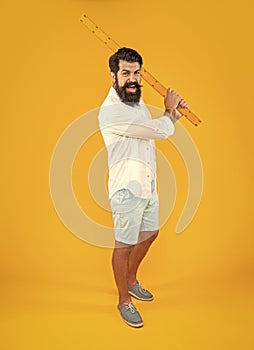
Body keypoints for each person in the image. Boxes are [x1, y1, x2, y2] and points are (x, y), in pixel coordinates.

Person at [98, 47, 187, 328]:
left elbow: (151, 129)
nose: (133, 79)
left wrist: (169, 117)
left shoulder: (134, 103)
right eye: (126, 73)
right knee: (123, 246)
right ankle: (124, 300)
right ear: (113, 76)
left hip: (147, 184)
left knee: (150, 233)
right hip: (126, 189)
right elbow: (158, 131)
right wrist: (170, 110)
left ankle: (132, 279)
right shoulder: (113, 111)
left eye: (137, 73)